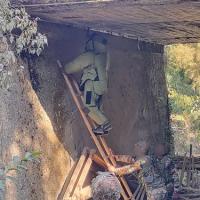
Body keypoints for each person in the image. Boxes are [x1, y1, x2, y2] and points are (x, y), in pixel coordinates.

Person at [64, 34, 111, 135]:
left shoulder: (90, 55)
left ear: (92, 43)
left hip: (92, 85)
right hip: (102, 85)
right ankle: (101, 127)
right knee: (97, 106)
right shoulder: (104, 56)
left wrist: (65, 68)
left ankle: (104, 124)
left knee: (89, 105)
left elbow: (75, 65)